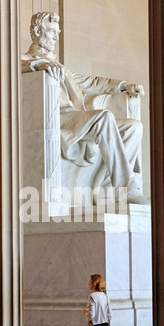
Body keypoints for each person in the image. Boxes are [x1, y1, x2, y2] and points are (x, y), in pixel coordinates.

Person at [22, 12, 150, 205]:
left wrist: (124, 86)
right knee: (104, 118)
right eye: (51, 32)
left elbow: (92, 82)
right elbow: (14, 66)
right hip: (56, 119)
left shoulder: (60, 67)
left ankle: (111, 191)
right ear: (38, 32)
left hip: (77, 117)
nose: (56, 38)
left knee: (134, 127)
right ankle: (128, 190)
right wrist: (40, 64)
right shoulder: (26, 59)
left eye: (58, 32)